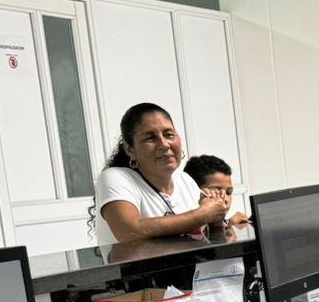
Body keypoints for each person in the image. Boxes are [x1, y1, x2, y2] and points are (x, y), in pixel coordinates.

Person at [91, 103, 227, 245]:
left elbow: (205, 242)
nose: (164, 144)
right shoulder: (114, 177)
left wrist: (215, 219)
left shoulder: (185, 180)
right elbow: (129, 232)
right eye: (150, 138)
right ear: (130, 149)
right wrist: (204, 214)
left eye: (169, 135)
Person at [183, 154, 250, 227]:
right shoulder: (185, 229)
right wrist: (229, 229)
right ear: (193, 190)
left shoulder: (227, 222)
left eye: (228, 192)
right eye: (216, 192)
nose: (226, 199)